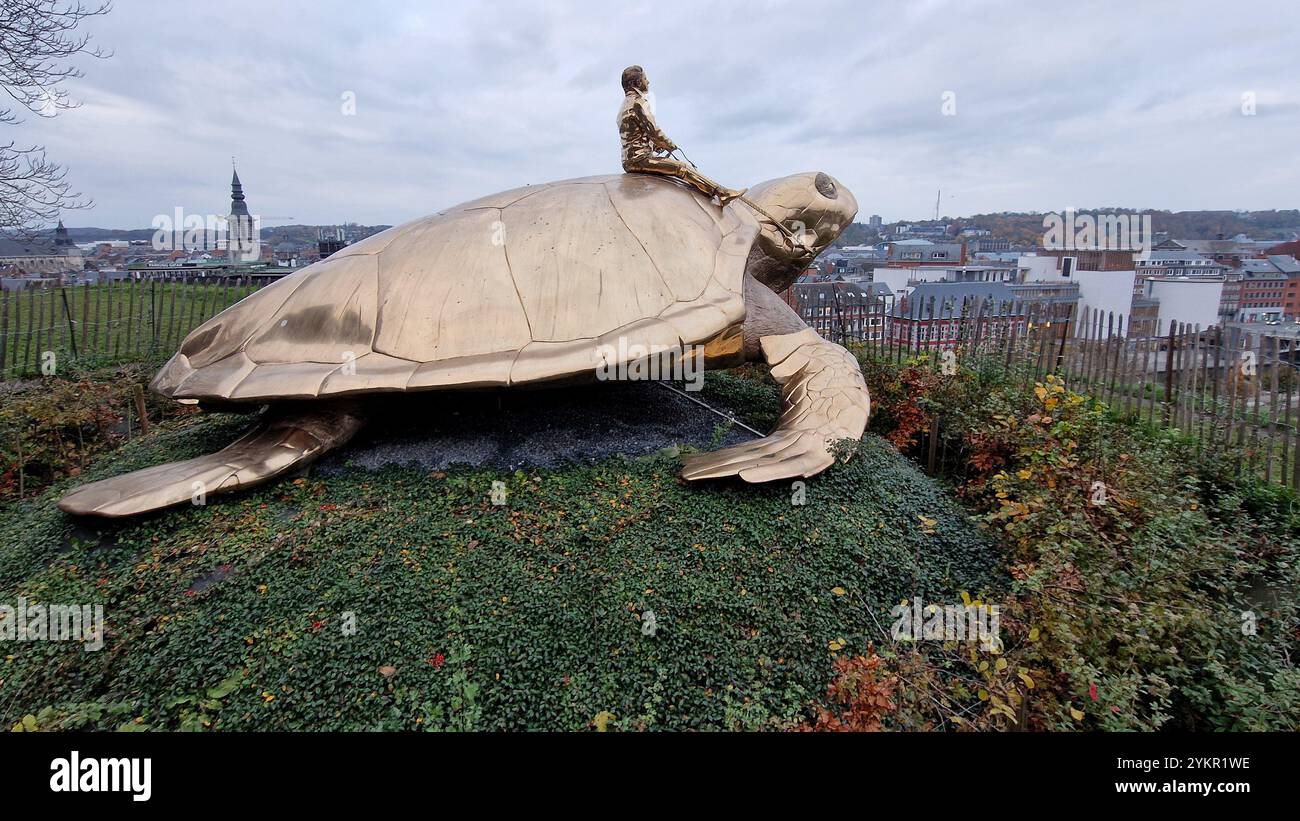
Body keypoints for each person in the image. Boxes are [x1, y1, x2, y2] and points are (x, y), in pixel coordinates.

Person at [617, 65, 745, 206]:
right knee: (682, 168)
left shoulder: (624, 106)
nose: (648, 82)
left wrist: (654, 145)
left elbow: (636, 135)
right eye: (645, 79)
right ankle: (721, 193)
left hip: (629, 161)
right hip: (640, 160)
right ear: (637, 83)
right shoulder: (639, 103)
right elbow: (654, 131)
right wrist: (669, 144)